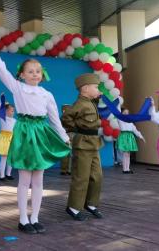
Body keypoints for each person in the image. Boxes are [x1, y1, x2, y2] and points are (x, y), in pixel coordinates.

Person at [0, 40, 71, 235]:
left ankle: (35, 217)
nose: (35, 74)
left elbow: (54, 118)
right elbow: (2, 72)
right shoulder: (17, 88)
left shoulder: (47, 94)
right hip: (25, 132)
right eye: (30, 71)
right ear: (22, 74)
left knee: (39, 179)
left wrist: (63, 135)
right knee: (25, 178)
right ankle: (23, 219)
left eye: (38, 71)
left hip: (40, 133)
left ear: (42, 75)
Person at [61, 73, 104, 221]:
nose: (98, 89)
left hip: (93, 142)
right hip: (83, 143)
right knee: (81, 176)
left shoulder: (91, 102)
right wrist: (77, 128)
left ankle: (91, 204)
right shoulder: (79, 104)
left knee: (97, 176)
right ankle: (73, 207)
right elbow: (66, 118)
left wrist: (98, 96)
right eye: (96, 87)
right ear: (85, 89)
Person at [0, 98, 16, 181]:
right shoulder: (2, 117)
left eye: (13, 111)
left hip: (11, 139)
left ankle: (8, 174)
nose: (13, 113)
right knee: (4, 158)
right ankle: (2, 176)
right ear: (6, 111)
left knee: (11, 158)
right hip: (4, 139)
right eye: (11, 111)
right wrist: (2, 100)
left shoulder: (15, 120)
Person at [116, 108, 145, 174]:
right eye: (124, 112)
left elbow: (135, 130)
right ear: (121, 114)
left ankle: (127, 168)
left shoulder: (130, 122)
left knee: (128, 154)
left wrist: (141, 137)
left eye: (127, 112)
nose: (126, 114)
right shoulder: (120, 119)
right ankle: (124, 169)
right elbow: (117, 113)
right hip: (124, 136)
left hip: (129, 137)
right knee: (125, 153)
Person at [60, 104, 73, 175]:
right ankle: (69, 170)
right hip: (70, 134)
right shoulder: (71, 117)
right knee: (70, 153)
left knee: (65, 153)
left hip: (64, 135)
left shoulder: (61, 117)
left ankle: (64, 169)